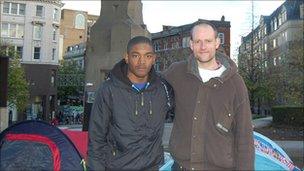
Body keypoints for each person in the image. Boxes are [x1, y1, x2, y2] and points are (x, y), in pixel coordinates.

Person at [163, 21, 254, 170]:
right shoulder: (176, 73)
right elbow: (149, 87)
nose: (203, 47)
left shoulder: (235, 83)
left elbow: (244, 136)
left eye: (208, 41)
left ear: (217, 43)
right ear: (191, 44)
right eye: (198, 41)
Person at [87, 36, 174, 170]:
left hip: (153, 166)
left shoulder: (163, 89)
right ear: (127, 57)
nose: (142, 62)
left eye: (148, 56)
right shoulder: (108, 90)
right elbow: (96, 140)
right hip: (118, 167)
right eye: (135, 56)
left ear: (154, 59)